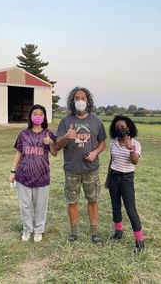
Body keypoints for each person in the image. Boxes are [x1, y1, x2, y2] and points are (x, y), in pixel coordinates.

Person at [56, 87, 107, 245]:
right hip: (72, 169)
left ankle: (94, 233)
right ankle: (74, 233)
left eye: (83, 98)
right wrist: (66, 136)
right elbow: (57, 145)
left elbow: (102, 142)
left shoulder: (96, 121)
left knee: (93, 200)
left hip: (90, 169)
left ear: (88, 100)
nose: (80, 101)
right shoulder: (66, 121)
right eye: (77, 98)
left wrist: (95, 153)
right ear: (73, 101)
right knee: (72, 201)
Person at [9, 104, 57, 242]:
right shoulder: (23, 134)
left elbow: (54, 153)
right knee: (24, 205)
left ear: (44, 117)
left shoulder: (49, 134)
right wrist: (13, 171)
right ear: (30, 116)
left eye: (40, 114)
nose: (37, 116)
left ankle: (38, 230)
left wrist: (50, 143)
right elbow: (19, 153)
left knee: (40, 206)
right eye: (35, 113)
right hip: (23, 175)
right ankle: (27, 229)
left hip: (42, 176)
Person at [105, 115, 145, 252]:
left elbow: (135, 161)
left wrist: (130, 149)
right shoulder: (113, 143)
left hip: (127, 179)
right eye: (117, 128)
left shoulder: (135, 143)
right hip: (114, 177)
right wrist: (107, 179)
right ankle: (118, 232)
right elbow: (112, 161)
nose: (120, 130)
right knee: (115, 206)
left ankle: (140, 241)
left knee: (130, 209)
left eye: (122, 127)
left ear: (129, 128)